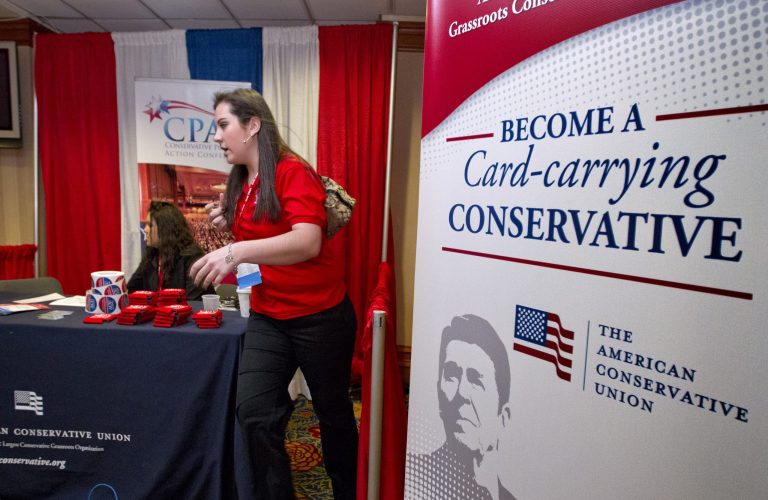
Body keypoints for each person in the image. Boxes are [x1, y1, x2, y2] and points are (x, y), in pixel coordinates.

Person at [189, 88, 358, 500]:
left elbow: (307, 241)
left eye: (223, 125)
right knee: (254, 413)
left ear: (252, 126)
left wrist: (236, 249)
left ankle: (347, 491)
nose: (216, 136)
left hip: (320, 316)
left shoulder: (290, 171)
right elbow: (261, 247)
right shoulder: (242, 183)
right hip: (270, 316)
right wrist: (232, 229)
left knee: (332, 414)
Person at [405, 314, 517, 500]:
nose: (462, 392)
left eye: (475, 379)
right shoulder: (417, 479)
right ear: (439, 395)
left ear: (503, 417)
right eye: (451, 374)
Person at [126, 201, 212, 300]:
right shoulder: (152, 255)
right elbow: (131, 290)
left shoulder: (193, 256)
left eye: (149, 225)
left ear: (165, 228)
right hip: (158, 314)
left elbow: (194, 302)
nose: (145, 229)